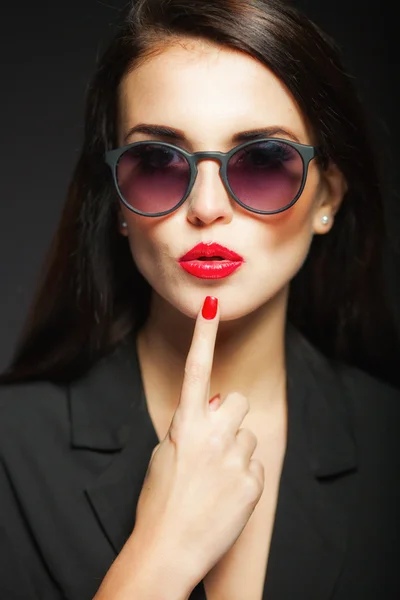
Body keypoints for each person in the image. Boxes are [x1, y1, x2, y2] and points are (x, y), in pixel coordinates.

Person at [1, 0, 399, 598]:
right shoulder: (10, 446)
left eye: (265, 162)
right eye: (158, 163)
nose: (207, 207)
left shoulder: (387, 441)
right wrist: (163, 552)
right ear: (119, 208)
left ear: (328, 198)